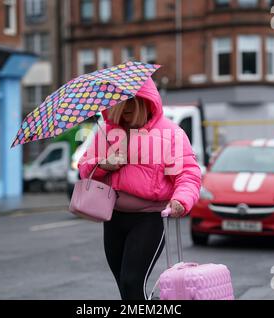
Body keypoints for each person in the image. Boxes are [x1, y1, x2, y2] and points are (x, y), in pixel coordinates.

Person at [78, 78, 201, 300]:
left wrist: (181, 200)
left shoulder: (171, 133)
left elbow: (188, 175)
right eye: (118, 103)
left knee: (132, 282)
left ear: (145, 102)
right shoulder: (106, 132)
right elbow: (85, 169)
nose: (123, 109)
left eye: (129, 103)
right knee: (125, 288)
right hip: (113, 218)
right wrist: (102, 164)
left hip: (150, 220)